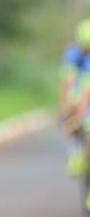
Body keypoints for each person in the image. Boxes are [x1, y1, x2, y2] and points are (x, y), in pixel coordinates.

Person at [59, 18, 90, 181]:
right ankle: (76, 153)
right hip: (81, 91)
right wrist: (67, 108)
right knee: (73, 106)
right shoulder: (72, 55)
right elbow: (68, 82)